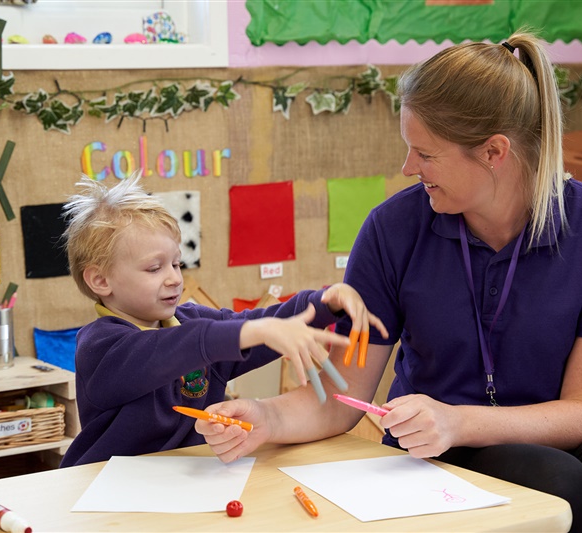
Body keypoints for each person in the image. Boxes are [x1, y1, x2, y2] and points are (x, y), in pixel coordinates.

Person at [196, 31, 582, 532]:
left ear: (494, 152)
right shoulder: (392, 228)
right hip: (437, 451)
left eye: (426, 154)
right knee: (550, 479)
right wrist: (264, 416)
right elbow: (339, 396)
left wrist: (460, 419)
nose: (407, 167)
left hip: (546, 438)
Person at [58, 172, 387, 467]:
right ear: (100, 281)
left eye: (176, 264)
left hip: (189, 480)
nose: (174, 278)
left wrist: (322, 304)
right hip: (108, 488)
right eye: (154, 268)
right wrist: (252, 330)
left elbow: (254, 325)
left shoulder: (193, 322)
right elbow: (164, 351)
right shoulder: (100, 346)